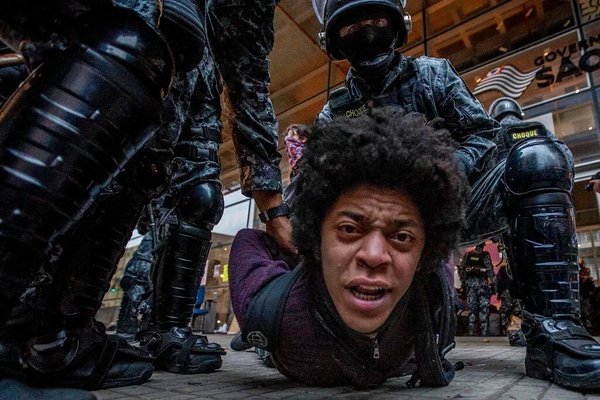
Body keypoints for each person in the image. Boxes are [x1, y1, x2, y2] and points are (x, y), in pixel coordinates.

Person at [311, 0, 600, 390]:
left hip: (454, 204)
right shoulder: (333, 113)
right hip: (377, 231)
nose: (367, 30)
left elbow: (483, 135)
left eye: (376, 19)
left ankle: (553, 332)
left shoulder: (432, 75)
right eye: (353, 25)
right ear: (334, 41)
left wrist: (448, 171)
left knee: (539, 158)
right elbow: (316, 189)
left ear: (397, 25)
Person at [229, 108, 469, 387]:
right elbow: (248, 240)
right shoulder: (268, 311)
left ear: (424, 256)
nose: (374, 256)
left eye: (402, 237)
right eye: (349, 230)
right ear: (316, 240)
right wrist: (280, 226)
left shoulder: (434, 291)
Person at [459, 244, 496, 336]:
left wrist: (464, 283)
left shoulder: (468, 255)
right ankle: (484, 332)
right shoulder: (485, 255)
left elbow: (462, 270)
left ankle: (472, 331)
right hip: (482, 286)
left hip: (471, 286)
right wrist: (494, 286)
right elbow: (490, 271)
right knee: (484, 309)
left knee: (472, 309)